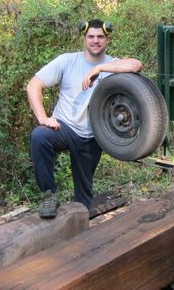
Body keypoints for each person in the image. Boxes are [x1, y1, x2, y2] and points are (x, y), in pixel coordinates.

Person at [27, 19, 141, 218]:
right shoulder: (67, 61)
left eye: (100, 37)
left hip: (93, 134)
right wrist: (43, 118)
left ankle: (80, 232)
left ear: (107, 40)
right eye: (91, 36)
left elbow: (136, 64)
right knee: (39, 137)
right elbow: (33, 85)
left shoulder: (112, 64)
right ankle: (48, 195)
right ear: (84, 39)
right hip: (64, 127)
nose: (95, 41)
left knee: (83, 195)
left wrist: (99, 69)